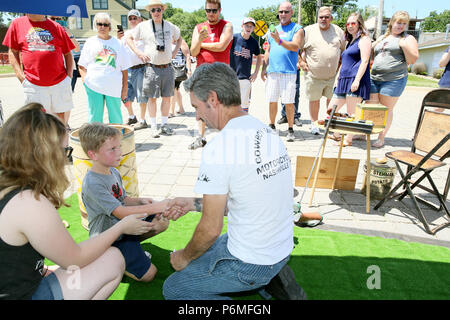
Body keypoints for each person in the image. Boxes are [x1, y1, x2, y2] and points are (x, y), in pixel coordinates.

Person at [162, 62, 303, 300]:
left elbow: (209, 230)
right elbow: (250, 199)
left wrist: (183, 257)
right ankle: (271, 279)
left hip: (253, 261)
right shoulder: (265, 130)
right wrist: (193, 203)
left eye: (197, 106)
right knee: (212, 248)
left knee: (175, 288)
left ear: (213, 99)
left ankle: (260, 280)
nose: (198, 115)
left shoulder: (220, 146)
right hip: (279, 248)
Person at [0, 103, 154, 300]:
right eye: (65, 151)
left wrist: (43, 269)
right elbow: (76, 258)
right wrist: (121, 227)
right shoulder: (30, 202)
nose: (66, 159)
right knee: (113, 258)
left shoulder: (9, 188)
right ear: (45, 156)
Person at [79, 122, 176, 282]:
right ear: (93, 155)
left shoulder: (113, 171)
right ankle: (114, 259)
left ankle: (130, 249)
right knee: (149, 275)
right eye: (113, 149)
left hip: (125, 228)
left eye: (119, 146)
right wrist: (158, 206)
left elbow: (123, 200)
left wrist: (140, 201)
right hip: (108, 238)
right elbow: (120, 212)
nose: (120, 152)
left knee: (162, 221)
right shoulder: (93, 183)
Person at [2, 14, 75, 127]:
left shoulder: (57, 27)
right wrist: (21, 77)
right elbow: (13, 51)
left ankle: (61, 145)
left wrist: (68, 77)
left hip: (59, 83)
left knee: (60, 122)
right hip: (33, 84)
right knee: (36, 123)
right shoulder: (17, 24)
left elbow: (68, 53)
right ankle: (39, 145)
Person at [126, 0, 182, 138]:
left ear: (163, 10)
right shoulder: (143, 26)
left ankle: (164, 125)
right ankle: (153, 127)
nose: (156, 12)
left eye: (158, 9)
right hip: (151, 68)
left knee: (167, 98)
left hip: (168, 67)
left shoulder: (170, 26)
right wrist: (139, 53)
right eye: (153, 10)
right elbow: (129, 38)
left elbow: (179, 38)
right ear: (150, 12)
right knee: (151, 98)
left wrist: (174, 53)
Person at [369, 11, 419, 148]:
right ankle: (364, 133)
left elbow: (413, 59)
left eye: (404, 23)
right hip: (375, 77)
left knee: (386, 109)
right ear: (392, 22)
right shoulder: (383, 37)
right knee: (370, 106)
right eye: (398, 22)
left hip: (394, 79)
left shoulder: (408, 39)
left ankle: (381, 137)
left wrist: (404, 46)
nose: (400, 26)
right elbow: (373, 56)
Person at [189, 0, 233, 150]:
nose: (211, 14)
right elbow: (193, 52)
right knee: (200, 108)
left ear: (219, 10)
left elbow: (221, 46)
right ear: (205, 10)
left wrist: (201, 43)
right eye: (208, 10)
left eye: (214, 11)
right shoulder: (199, 27)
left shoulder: (227, 25)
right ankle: (200, 138)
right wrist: (199, 41)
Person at [261, 1, 304, 143]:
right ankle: (272, 126)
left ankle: (291, 129)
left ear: (291, 13)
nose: (283, 14)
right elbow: (268, 49)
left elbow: (295, 46)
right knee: (271, 100)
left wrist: (279, 40)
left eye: (286, 12)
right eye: (281, 12)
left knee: (289, 102)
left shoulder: (297, 28)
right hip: (273, 71)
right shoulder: (273, 28)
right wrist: (263, 68)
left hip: (289, 72)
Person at [299, 6, 346, 135]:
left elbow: (344, 51)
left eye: (327, 17)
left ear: (331, 18)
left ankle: (330, 124)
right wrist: (301, 62)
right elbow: (297, 49)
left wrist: (340, 67)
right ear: (317, 17)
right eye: (321, 17)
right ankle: (314, 125)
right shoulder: (308, 31)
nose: (324, 19)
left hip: (333, 76)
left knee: (332, 102)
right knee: (314, 100)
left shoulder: (338, 31)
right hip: (313, 75)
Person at [78, 12, 132, 124]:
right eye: (99, 24)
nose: (102, 27)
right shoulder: (90, 42)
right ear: (95, 25)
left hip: (113, 86)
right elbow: (82, 65)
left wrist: (124, 88)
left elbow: (124, 69)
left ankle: (117, 140)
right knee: (95, 117)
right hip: (93, 86)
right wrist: (85, 81)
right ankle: (94, 140)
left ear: (110, 27)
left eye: (105, 24)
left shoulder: (118, 43)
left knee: (116, 117)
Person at [327, 13, 372, 147]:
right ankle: (337, 134)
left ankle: (348, 139)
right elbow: (344, 61)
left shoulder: (364, 40)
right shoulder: (350, 41)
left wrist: (357, 80)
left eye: (353, 23)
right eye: (348, 24)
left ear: (359, 24)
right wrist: (337, 78)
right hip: (343, 80)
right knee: (331, 109)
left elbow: (365, 61)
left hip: (355, 79)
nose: (350, 26)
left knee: (352, 113)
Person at [117, 9, 149, 126]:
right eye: (130, 18)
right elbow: (120, 50)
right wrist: (118, 38)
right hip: (127, 69)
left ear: (140, 19)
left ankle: (142, 119)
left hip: (141, 68)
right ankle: (132, 116)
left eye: (135, 18)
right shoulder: (125, 34)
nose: (132, 20)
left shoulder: (145, 32)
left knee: (141, 95)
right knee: (125, 95)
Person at [48, 16, 80, 130]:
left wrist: (68, 34)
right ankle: (52, 123)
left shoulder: (65, 32)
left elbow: (76, 49)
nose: (56, 21)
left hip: (69, 69)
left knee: (66, 97)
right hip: (52, 70)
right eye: (53, 18)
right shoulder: (46, 32)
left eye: (59, 19)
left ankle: (65, 124)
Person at [229, 17, 262, 113]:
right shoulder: (234, 38)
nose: (249, 28)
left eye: (251, 26)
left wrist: (256, 73)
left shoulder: (254, 42)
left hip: (245, 78)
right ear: (242, 26)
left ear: (253, 29)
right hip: (232, 77)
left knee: (244, 105)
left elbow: (259, 57)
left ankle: (243, 124)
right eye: (247, 25)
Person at [279, 50, 302, 127]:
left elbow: (303, 50)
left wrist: (299, 61)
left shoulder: (298, 37)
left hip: (294, 68)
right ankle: (285, 115)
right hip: (283, 67)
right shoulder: (280, 38)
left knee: (295, 92)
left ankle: (295, 116)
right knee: (283, 92)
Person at [169, 37, 192, 117]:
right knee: (176, 89)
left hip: (178, 69)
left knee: (173, 89)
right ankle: (181, 109)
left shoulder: (181, 42)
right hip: (169, 68)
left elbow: (188, 56)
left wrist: (189, 70)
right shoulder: (167, 40)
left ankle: (171, 111)